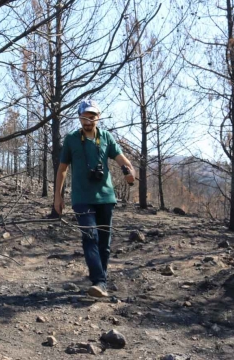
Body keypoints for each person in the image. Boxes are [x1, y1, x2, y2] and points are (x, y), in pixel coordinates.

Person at [53, 99, 136, 297]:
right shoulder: (72, 139)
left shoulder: (106, 137)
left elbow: (122, 160)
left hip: (106, 197)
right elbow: (62, 169)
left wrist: (130, 172)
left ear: (98, 117)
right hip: (82, 197)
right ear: (79, 118)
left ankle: (102, 283)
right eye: (84, 117)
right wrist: (58, 196)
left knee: (104, 243)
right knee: (90, 236)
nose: (87, 121)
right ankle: (98, 281)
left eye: (91, 117)